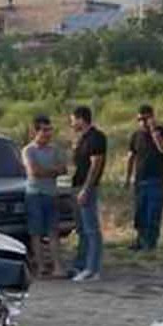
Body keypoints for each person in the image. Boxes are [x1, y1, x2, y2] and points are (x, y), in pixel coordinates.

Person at [22, 114, 66, 276]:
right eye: (44, 130)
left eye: (50, 129)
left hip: (51, 194)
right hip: (35, 195)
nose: (48, 133)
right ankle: (40, 267)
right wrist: (52, 171)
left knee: (53, 231)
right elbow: (34, 172)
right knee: (36, 233)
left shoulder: (55, 150)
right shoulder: (28, 150)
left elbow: (63, 169)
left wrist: (47, 171)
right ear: (36, 131)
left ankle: (57, 267)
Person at [67, 105, 106, 281]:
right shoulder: (82, 138)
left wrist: (86, 188)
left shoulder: (97, 137)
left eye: (73, 120)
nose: (72, 124)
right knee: (81, 229)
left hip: (87, 187)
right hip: (77, 185)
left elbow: (95, 164)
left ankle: (92, 268)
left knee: (91, 229)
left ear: (81, 119)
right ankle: (80, 265)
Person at [126, 104, 163, 251]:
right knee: (140, 213)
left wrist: (154, 131)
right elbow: (131, 157)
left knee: (153, 214)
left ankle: (150, 244)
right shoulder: (136, 136)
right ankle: (140, 240)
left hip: (156, 180)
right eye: (139, 119)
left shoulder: (161, 132)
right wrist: (128, 178)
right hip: (140, 180)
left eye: (145, 119)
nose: (142, 123)